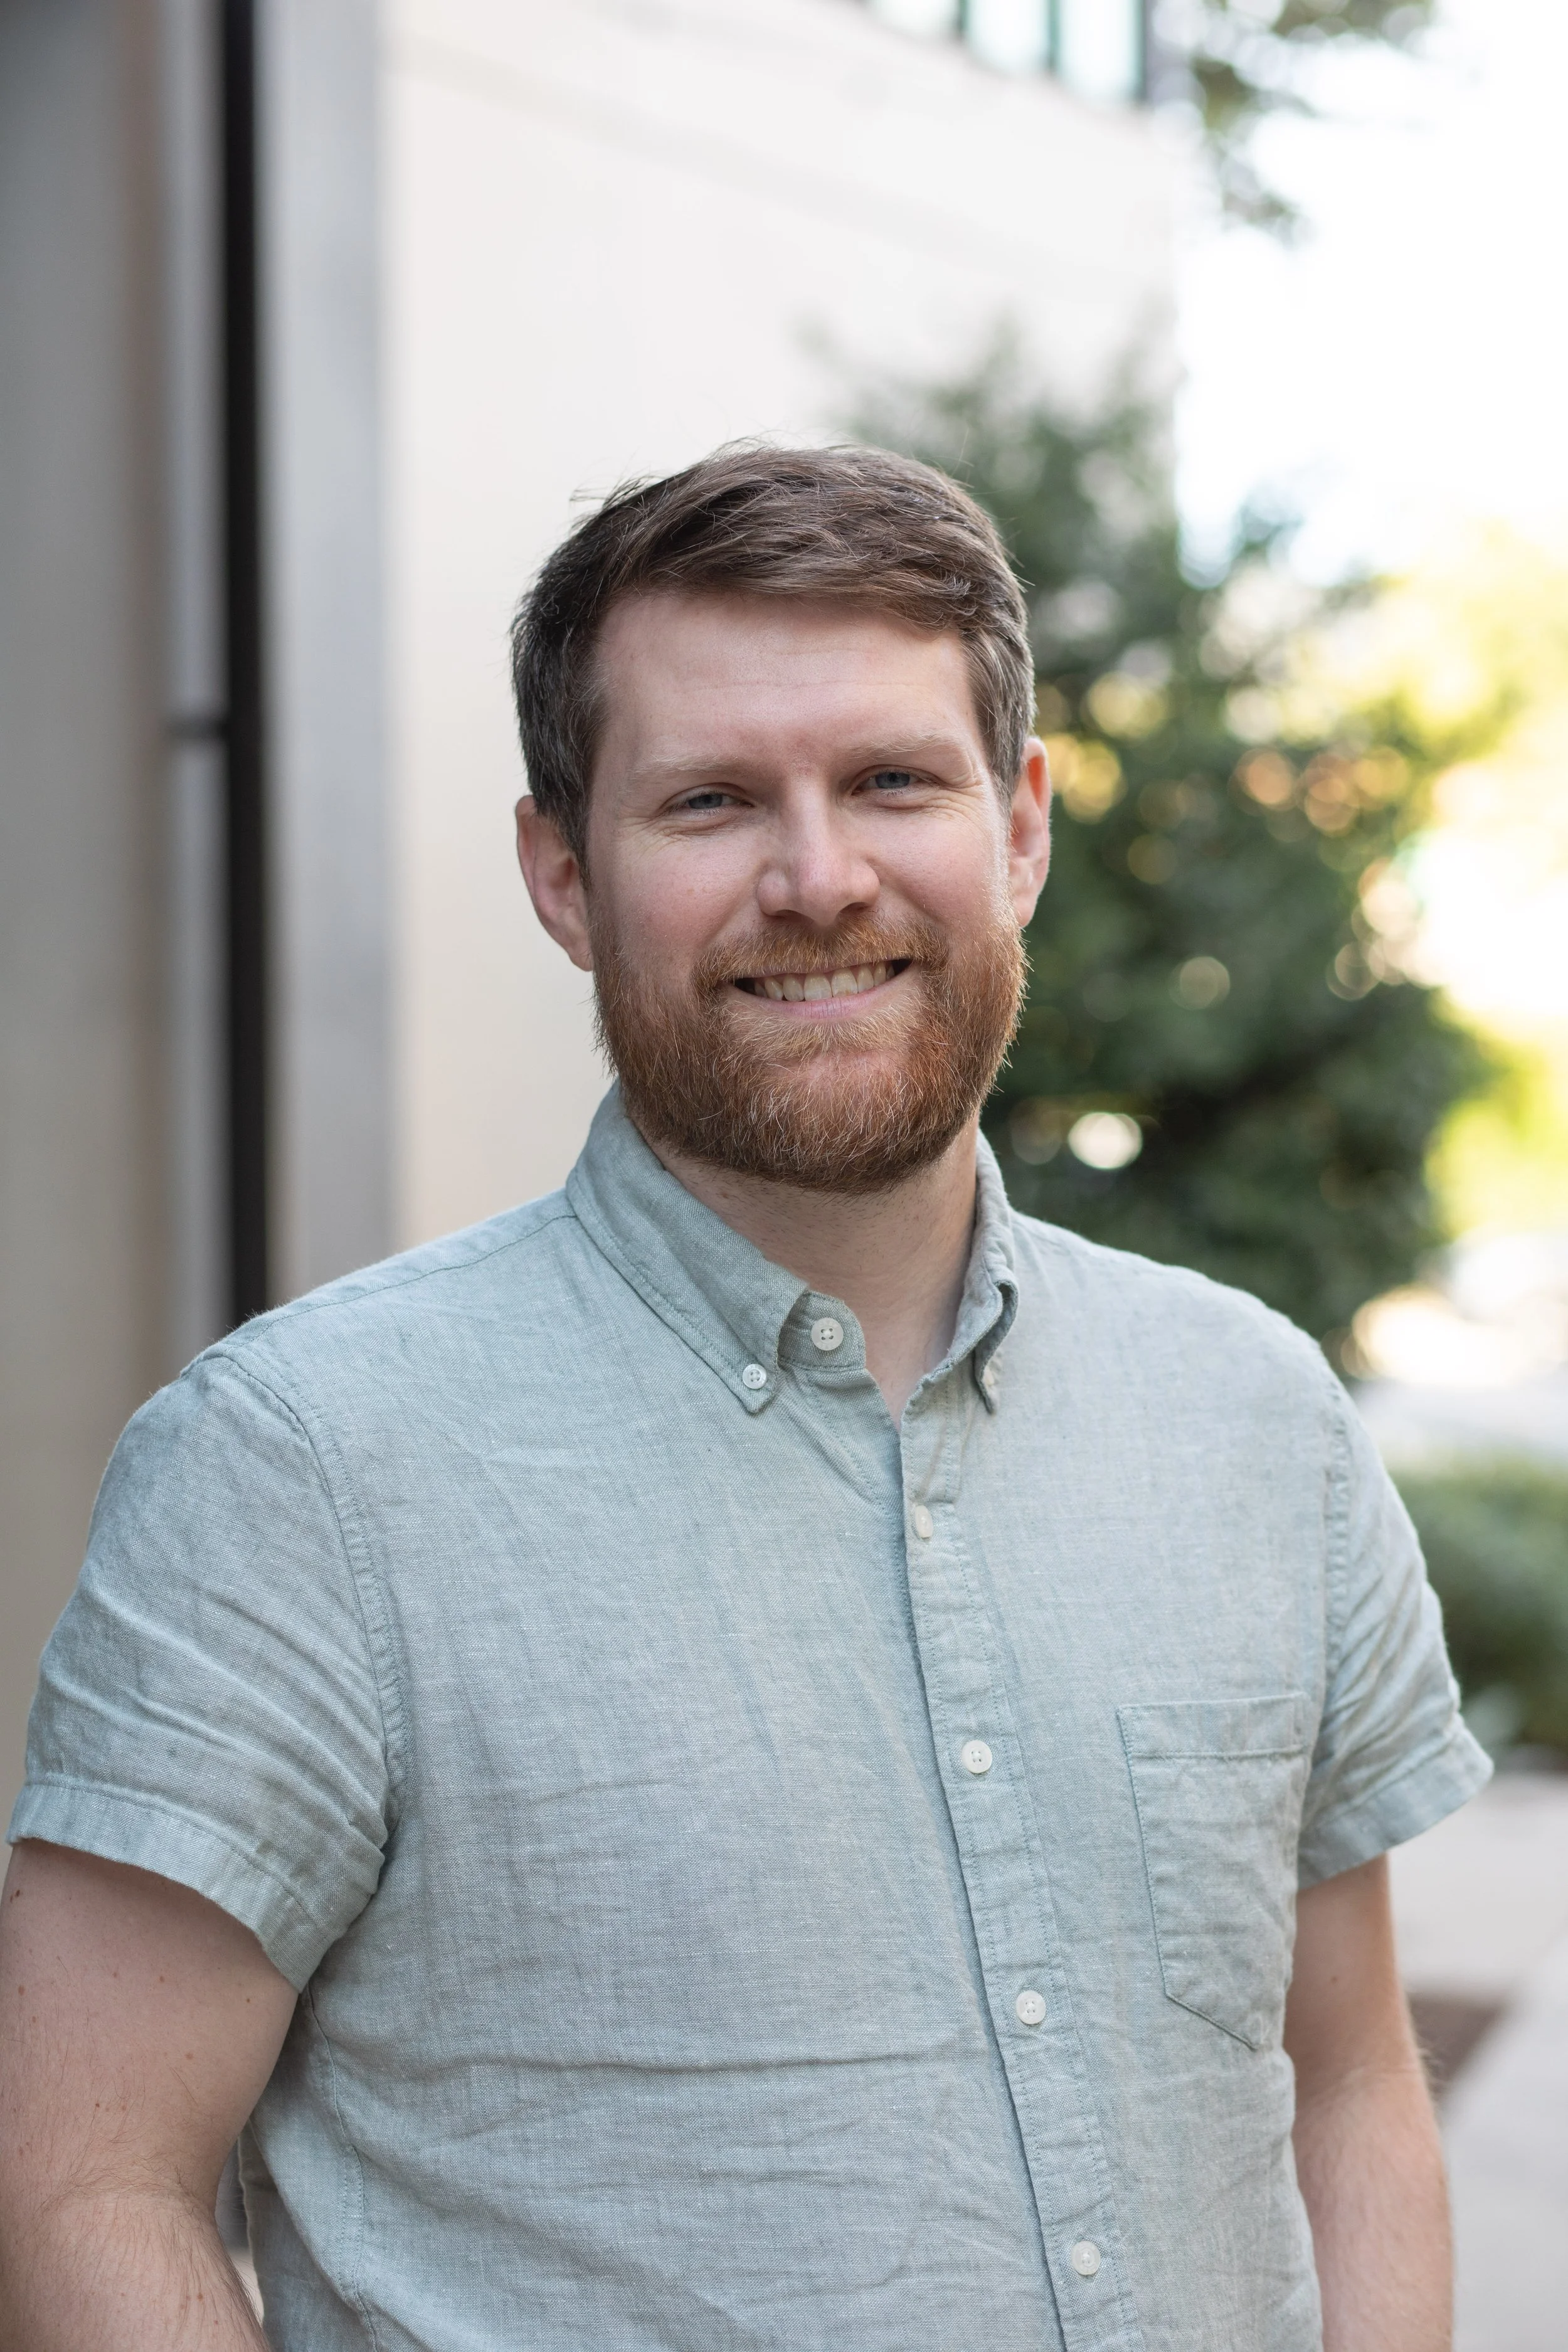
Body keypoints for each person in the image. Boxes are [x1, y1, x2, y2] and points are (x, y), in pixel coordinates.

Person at [0, 445, 1487, 2352]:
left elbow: (1349, 2082)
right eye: (709, 800)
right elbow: (79, 2181)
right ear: (563, 874)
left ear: (1018, 827)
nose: (818, 875)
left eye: (892, 779)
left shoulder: (1255, 1419)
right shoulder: (295, 1467)